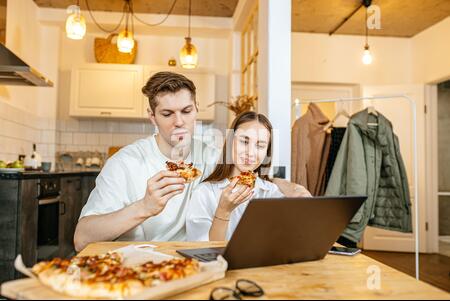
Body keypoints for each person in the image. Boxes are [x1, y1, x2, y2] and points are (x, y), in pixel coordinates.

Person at [74, 72, 218, 251]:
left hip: (197, 263)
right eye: (167, 114)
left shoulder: (214, 158)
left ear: (196, 108)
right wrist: (144, 207)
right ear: (152, 117)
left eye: (186, 111)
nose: (179, 122)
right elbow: (81, 238)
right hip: (142, 265)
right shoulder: (124, 163)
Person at [186, 111, 312, 241]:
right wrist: (223, 211)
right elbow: (201, 250)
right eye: (244, 142)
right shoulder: (204, 193)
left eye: (260, 145)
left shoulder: (271, 193)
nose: (250, 152)